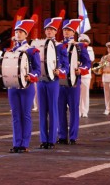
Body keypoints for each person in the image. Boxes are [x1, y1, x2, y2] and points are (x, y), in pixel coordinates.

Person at [35, 17, 68, 149]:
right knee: (42, 110)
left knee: (53, 110)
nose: (49, 31)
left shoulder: (60, 46)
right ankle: (44, 139)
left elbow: (66, 65)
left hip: (53, 81)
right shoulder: (39, 45)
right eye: (47, 29)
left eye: (51, 29)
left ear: (55, 31)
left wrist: (59, 71)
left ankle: (52, 139)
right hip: (41, 81)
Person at [7, 19, 40, 153]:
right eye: (16, 32)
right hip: (13, 87)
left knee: (25, 115)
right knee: (15, 115)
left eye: (21, 32)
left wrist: (30, 76)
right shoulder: (10, 51)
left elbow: (38, 70)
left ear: (26, 35)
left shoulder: (32, 51)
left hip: (27, 87)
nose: (18, 34)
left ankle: (24, 143)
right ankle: (16, 143)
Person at [58, 19, 91, 145]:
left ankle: (73, 136)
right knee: (60, 109)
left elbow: (87, 63)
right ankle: (61, 135)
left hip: (74, 82)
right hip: (60, 82)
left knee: (74, 109)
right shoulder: (57, 45)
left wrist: (80, 70)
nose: (67, 32)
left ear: (74, 32)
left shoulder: (80, 46)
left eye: (69, 30)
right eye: (65, 30)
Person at [78, 34, 94, 118]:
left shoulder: (90, 49)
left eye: (85, 41)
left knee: (85, 94)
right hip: (77, 74)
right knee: (77, 94)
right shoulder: (76, 49)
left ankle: (84, 111)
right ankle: (79, 111)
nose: (83, 43)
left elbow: (90, 59)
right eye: (81, 41)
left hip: (86, 74)